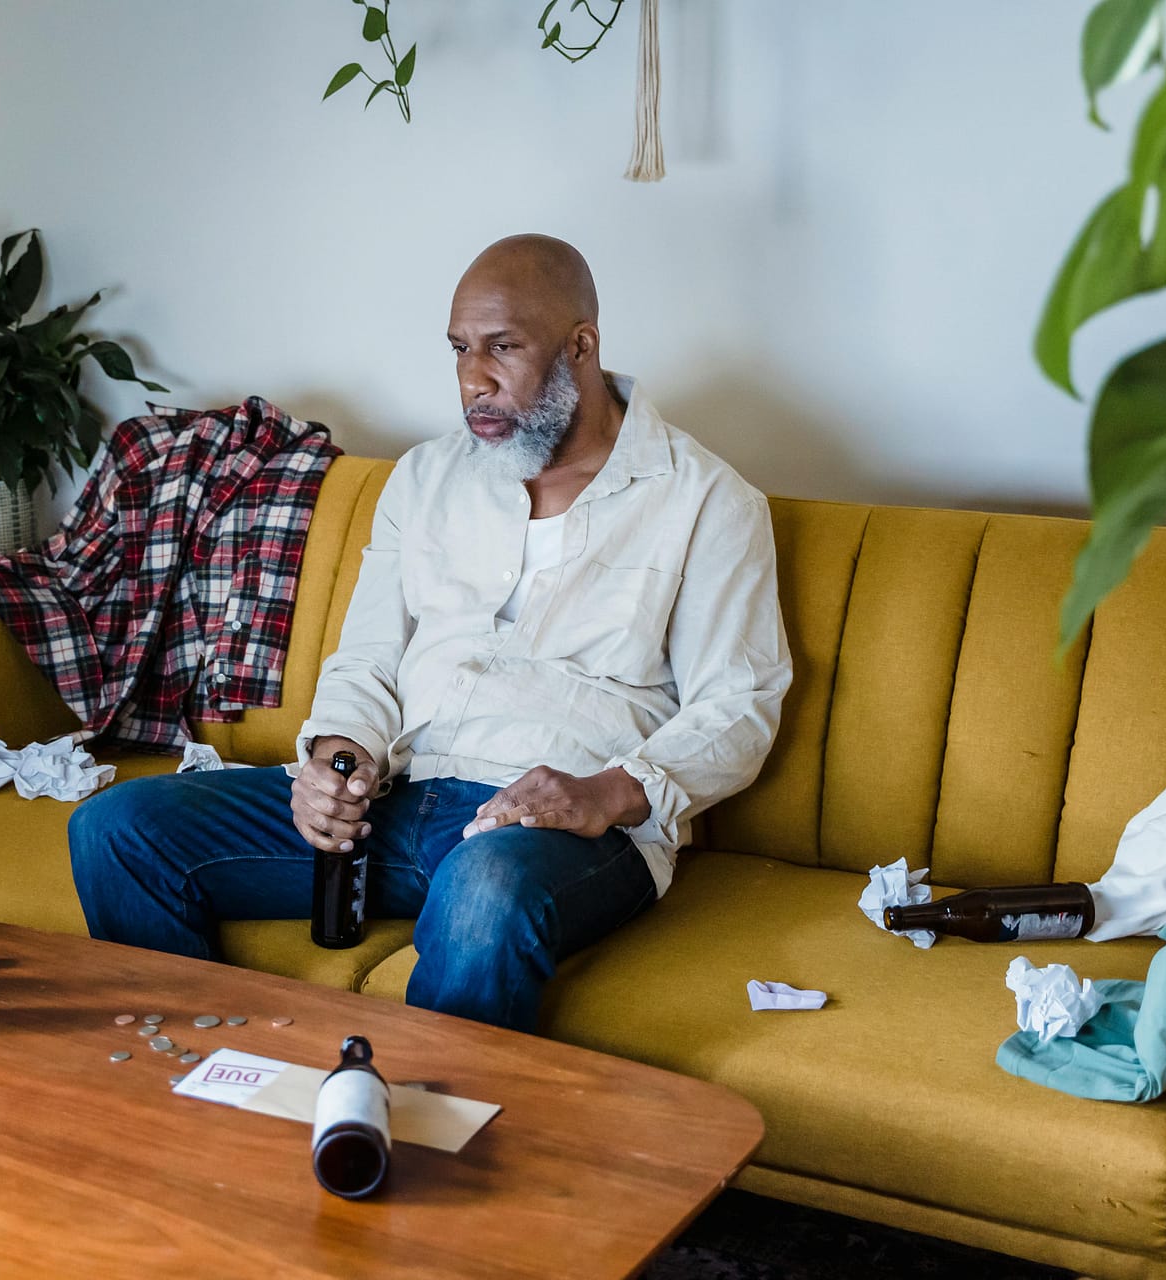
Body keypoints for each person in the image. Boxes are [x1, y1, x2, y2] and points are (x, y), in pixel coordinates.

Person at [68, 234, 792, 1033]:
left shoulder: (706, 502)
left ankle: (422, 1139)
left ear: (581, 345)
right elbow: (369, 659)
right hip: (391, 798)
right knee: (119, 830)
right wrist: (334, 758)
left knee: (485, 891)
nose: (471, 381)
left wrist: (603, 793)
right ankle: (202, 1093)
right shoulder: (425, 478)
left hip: (545, 832)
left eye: (502, 349)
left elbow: (741, 705)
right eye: (458, 352)